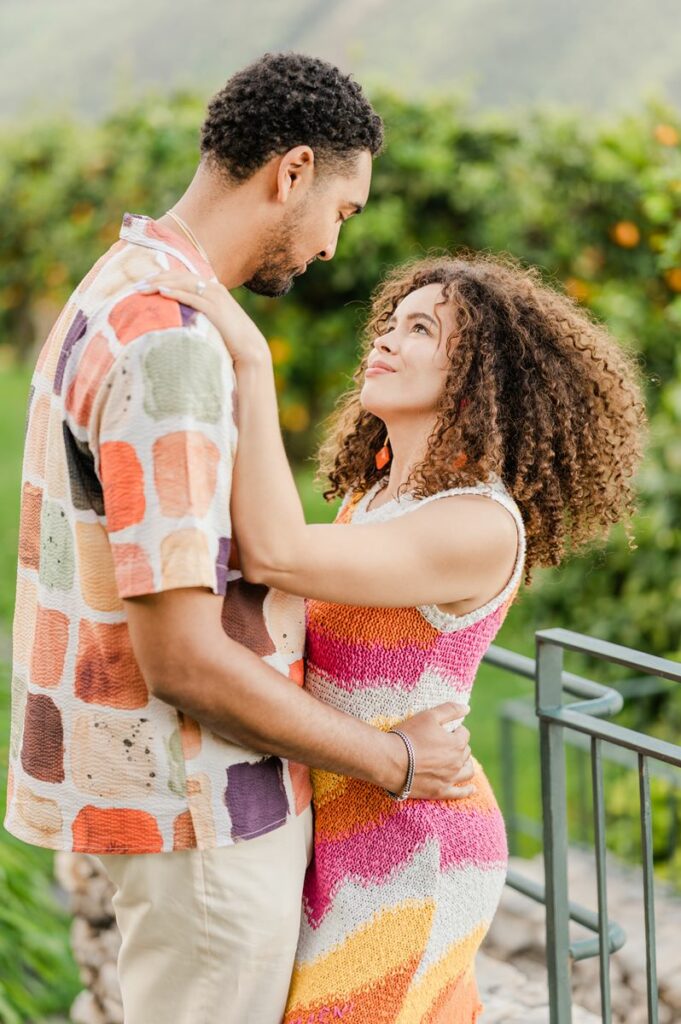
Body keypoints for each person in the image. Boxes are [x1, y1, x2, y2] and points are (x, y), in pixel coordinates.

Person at [4, 54, 475, 1024]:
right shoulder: (174, 343)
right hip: (201, 818)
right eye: (342, 212)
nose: (334, 251)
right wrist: (394, 761)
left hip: (161, 805)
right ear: (292, 172)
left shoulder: (118, 282)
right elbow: (184, 659)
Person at [144, 249, 646, 1022]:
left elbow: (275, 550)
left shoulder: (477, 524)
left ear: (481, 377)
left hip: (415, 842)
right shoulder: (376, 497)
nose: (382, 340)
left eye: (419, 330)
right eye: (391, 322)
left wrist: (248, 357)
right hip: (354, 810)